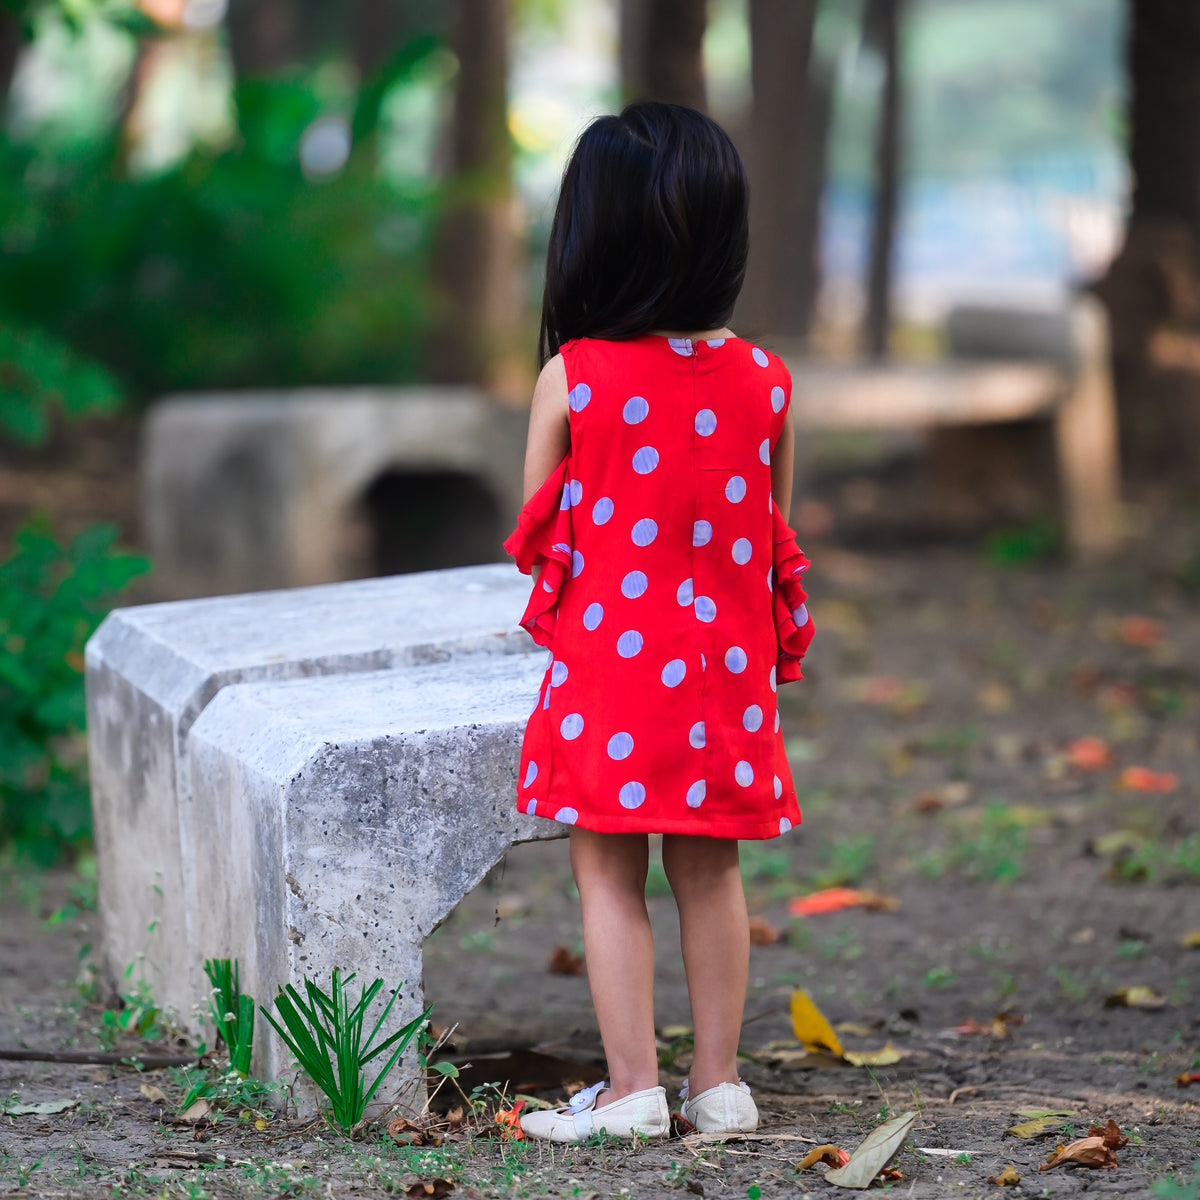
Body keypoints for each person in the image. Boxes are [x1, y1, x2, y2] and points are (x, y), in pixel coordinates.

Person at [502, 101, 814, 1142]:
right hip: (727, 675)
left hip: (611, 677)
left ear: (593, 235)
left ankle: (632, 1087)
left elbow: (541, 537)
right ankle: (718, 1086)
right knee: (712, 867)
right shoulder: (765, 384)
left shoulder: (575, 378)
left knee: (607, 869)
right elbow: (769, 531)